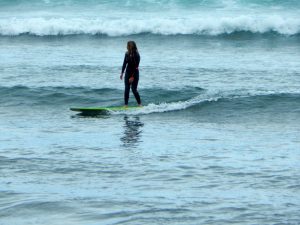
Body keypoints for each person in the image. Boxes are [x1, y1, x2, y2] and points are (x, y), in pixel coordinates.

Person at [120, 41, 142, 107]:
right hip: (127, 73)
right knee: (127, 89)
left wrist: (132, 77)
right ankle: (126, 105)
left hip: (134, 73)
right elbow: (124, 63)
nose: (126, 47)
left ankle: (139, 104)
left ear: (131, 47)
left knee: (133, 89)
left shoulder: (137, 55)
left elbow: (136, 67)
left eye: (128, 46)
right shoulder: (127, 54)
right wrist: (122, 73)